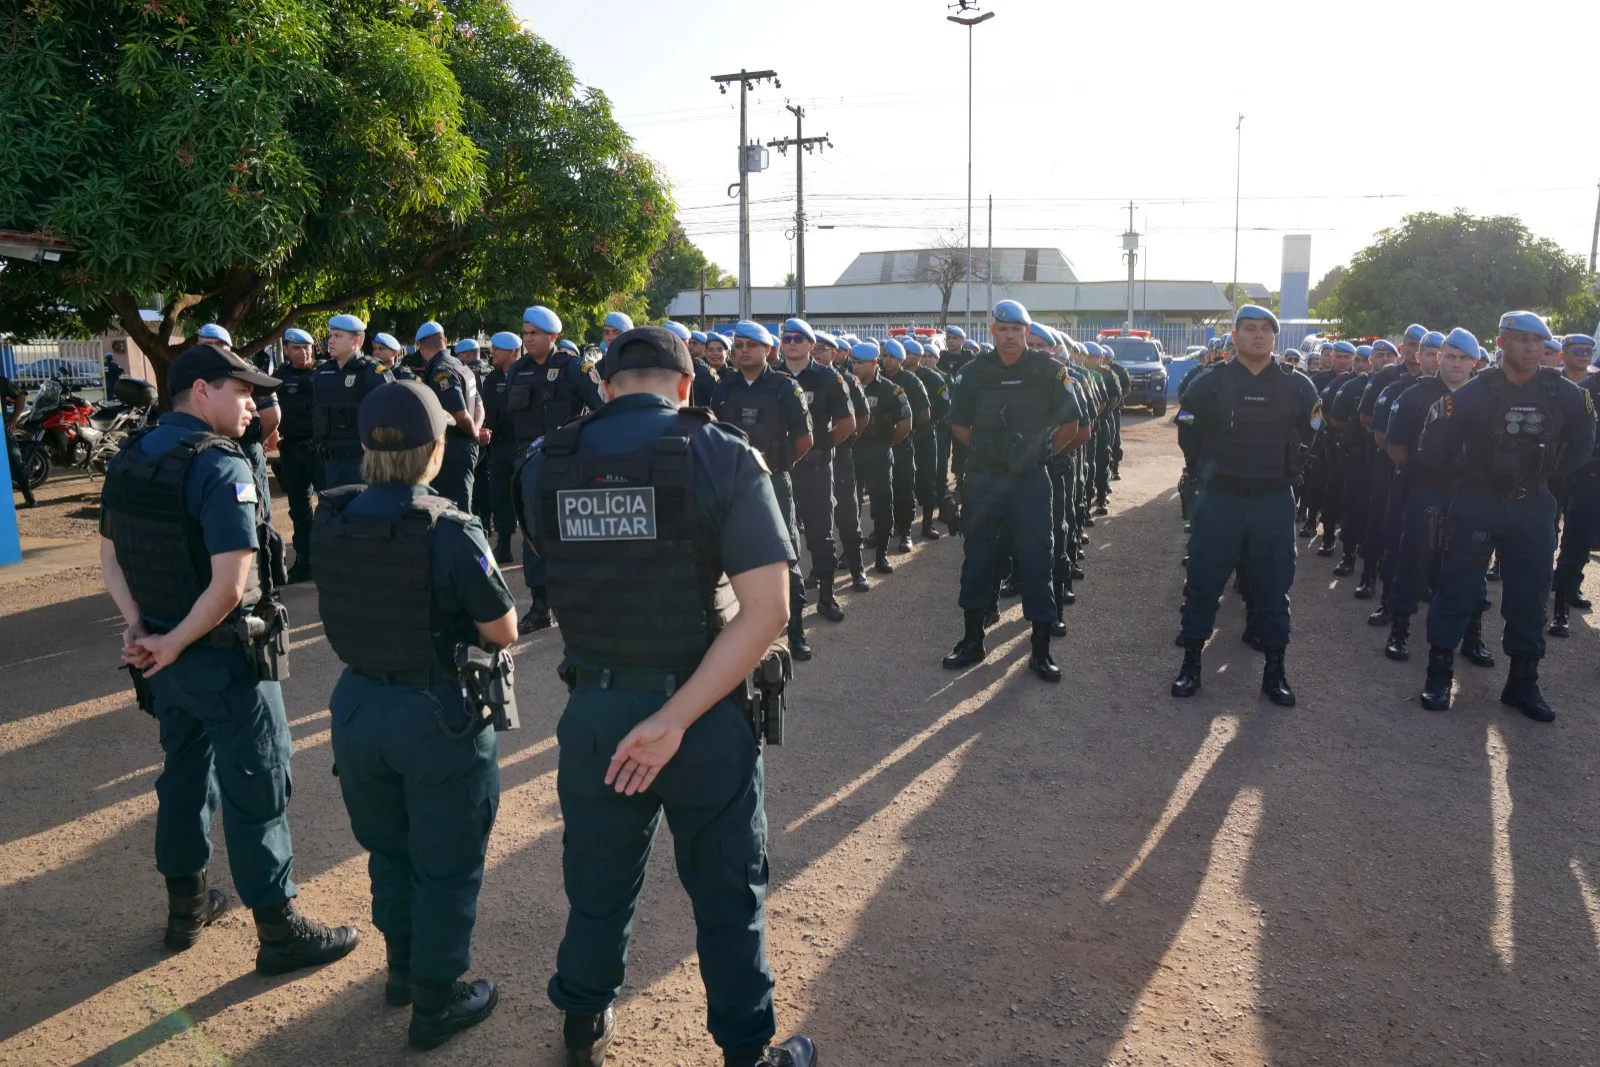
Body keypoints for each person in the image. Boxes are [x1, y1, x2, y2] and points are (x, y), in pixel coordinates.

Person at [515, 325, 816, 1067]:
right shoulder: (723, 453)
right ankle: (748, 1053)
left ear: (607, 386)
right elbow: (769, 609)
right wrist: (675, 719)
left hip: (598, 711)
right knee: (726, 894)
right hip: (702, 713)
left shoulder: (543, 462)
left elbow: (549, 569)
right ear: (686, 385)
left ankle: (583, 1021)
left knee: (597, 878)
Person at [98, 345, 359, 972]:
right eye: (242, 391)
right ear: (200, 392)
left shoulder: (133, 455)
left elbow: (109, 556)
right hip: (219, 657)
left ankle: (185, 909)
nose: (256, 405)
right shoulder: (221, 466)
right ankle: (279, 931)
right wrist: (173, 639)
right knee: (258, 782)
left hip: (164, 657)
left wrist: (142, 629)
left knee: (185, 774)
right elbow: (228, 588)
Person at [313, 380, 517, 1050]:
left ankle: (402, 969)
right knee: (447, 860)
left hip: (357, 706)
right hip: (436, 714)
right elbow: (502, 626)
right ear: (434, 450)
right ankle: (436, 998)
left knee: (390, 849)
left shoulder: (331, 514)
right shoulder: (452, 528)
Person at [1412, 311, 1597, 719]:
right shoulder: (1471, 394)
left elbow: (1583, 443)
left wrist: (1542, 477)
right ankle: (1439, 675)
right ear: (1500, 342)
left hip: (1533, 505)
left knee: (1530, 595)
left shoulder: (1563, 393)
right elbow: (1433, 447)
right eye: (1521, 340)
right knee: (1457, 588)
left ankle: (1522, 683)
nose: (1531, 348)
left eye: (1538, 342)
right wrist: (1467, 479)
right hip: (1477, 502)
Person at [1171, 305, 1318, 706]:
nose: (1258, 336)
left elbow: (1313, 428)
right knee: (1203, 581)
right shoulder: (1209, 383)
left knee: (1273, 585)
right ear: (1234, 336)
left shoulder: (1298, 386)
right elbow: (1186, 426)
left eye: (1266, 330)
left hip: (1273, 499)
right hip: (1221, 498)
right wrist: (1205, 466)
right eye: (1249, 329)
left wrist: (1290, 464)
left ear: (1275, 337)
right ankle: (1191, 665)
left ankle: (1275, 671)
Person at [942, 300, 1083, 682]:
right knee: (978, 559)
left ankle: (1040, 651)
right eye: (1003, 330)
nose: (1009, 336)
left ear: (1027, 332)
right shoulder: (974, 373)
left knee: (1038, 559)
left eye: (1016, 330)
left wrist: (1035, 453)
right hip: (986, 479)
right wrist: (995, 455)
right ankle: (972, 641)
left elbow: (1070, 424)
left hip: (1030, 482)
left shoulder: (1048, 371)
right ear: (993, 332)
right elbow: (960, 426)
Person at [710, 321, 815, 660]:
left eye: (750, 345)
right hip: (729, 484)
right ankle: (729, 629)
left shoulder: (785, 388)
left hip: (772, 482)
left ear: (767, 350)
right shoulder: (723, 386)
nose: (742, 351)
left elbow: (805, 439)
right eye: (738, 345)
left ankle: (796, 633)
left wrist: (775, 465)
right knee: (720, 555)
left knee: (785, 556)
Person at [1380, 328, 1479, 661]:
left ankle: (1473, 635)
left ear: (1474, 362)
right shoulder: (1415, 395)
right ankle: (1399, 630)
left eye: (1463, 358)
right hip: (1426, 488)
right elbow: (1395, 445)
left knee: (1470, 565)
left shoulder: (1485, 398)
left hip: (1471, 493)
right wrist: (1424, 475)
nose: (1456, 363)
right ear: (1439, 358)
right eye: (1450, 356)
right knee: (1414, 558)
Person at [508, 305, 605, 633]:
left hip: (567, 464)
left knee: (575, 530)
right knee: (532, 534)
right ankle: (539, 607)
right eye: (525, 332)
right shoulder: (517, 369)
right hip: (528, 464)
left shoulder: (575, 368)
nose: (528, 339)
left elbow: (603, 407)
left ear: (553, 335)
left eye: (534, 333)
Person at [777, 317, 855, 622]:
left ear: (811, 345)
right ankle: (783, 600)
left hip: (815, 469)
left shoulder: (828, 379)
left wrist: (820, 448)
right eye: (787, 339)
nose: (792, 344)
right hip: (780, 468)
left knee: (821, 534)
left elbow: (847, 424)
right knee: (780, 534)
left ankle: (826, 596)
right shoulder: (773, 377)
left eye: (799, 339)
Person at [196, 324, 278, 511]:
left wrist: (255, 441)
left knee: (249, 510)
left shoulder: (246, 371)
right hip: (220, 450)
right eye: (202, 346)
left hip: (240, 448)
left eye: (211, 345)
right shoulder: (196, 372)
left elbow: (272, 416)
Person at [813, 334, 873, 590]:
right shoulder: (797, 379)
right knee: (816, 518)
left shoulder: (846, 380)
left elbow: (862, 416)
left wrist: (841, 441)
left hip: (839, 456)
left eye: (822, 349)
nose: (816, 353)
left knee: (847, 514)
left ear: (835, 354)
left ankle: (857, 569)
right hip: (809, 460)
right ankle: (818, 570)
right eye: (813, 349)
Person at [848, 340, 912, 577]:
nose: (854, 366)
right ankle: (850, 552)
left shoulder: (891, 390)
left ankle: (881, 555)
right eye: (853, 362)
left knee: (882, 505)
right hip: (852, 453)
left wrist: (885, 443)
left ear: (874, 363)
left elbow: (905, 424)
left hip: (878, 453)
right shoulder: (846, 386)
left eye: (860, 363)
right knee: (849, 506)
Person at [1551, 333, 1600, 636]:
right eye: (1577, 351)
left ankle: (1569, 586)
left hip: (1592, 474)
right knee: (1568, 535)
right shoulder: (1584, 391)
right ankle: (1559, 608)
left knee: (1585, 539)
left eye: (1587, 350)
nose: (1583, 355)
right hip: (1578, 472)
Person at [314, 314, 394, 488]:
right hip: (331, 464)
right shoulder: (321, 373)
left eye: (338, 336)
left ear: (355, 341)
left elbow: (391, 413)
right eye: (331, 336)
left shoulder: (373, 372)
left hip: (363, 464)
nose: (331, 341)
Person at [270, 328, 322, 582]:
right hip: (292, 451)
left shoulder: (325, 373)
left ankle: (330, 559)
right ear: (287, 350)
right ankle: (305, 561)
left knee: (330, 508)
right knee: (299, 511)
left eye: (307, 348)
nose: (303, 353)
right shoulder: (279, 377)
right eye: (296, 348)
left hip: (321, 451)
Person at [411, 321, 480, 511]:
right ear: (445, 340)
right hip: (465, 445)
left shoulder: (440, 370)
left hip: (452, 449)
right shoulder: (460, 365)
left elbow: (459, 414)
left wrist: (474, 433)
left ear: (421, 346)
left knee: (455, 510)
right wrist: (476, 431)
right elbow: (479, 405)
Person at [480, 331, 521, 563]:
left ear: (512, 352)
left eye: (498, 349)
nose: (492, 352)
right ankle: (504, 543)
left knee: (524, 495)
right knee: (499, 495)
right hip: (499, 445)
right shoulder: (492, 379)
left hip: (521, 443)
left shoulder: (525, 373)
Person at [906, 339, 952, 538]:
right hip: (903, 434)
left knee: (930, 476)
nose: (925, 359)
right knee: (903, 480)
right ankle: (901, 525)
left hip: (929, 432)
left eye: (928, 356)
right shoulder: (897, 377)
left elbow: (944, 405)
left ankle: (927, 523)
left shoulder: (933, 378)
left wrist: (927, 422)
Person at [3, 374, 36, 508]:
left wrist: (14, 418)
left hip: (2, 431)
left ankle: (29, 497)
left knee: (15, 462)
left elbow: (20, 396)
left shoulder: (1, 382)